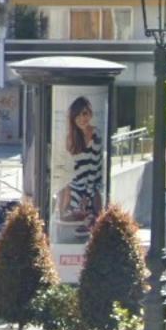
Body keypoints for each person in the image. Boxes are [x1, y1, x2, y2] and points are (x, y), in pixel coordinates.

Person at [56, 97, 104, 235]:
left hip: (92, 183)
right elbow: (68, 168)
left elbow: (94, 168)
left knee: (94, 196)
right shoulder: (70, 138)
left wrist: (87, 195)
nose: (82, 118)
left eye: (85, 113)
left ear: (90, 114)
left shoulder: (96, 134)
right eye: (77, 115)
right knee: (67, 205)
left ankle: (90, 218)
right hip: (77, 184)